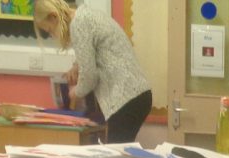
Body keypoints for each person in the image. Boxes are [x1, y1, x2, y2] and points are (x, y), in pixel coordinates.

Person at [33, 0, 152, 143]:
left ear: (53, 17)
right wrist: (76, 66)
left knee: (116, 154)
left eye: (50, 30)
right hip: (136, 94)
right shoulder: (86, 15)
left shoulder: (79, 23)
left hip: (125, 98)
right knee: (121, 151)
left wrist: (75, 92)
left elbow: (89, 77)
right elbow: (98, 51)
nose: (53, 36)